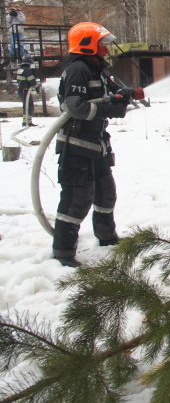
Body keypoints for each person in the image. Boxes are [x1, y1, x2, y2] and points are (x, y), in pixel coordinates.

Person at [52, 22, 131, 267]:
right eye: (101, 44)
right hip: (76, 146)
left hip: (97, 145)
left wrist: (125, 95)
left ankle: (107, 237)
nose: (106, 49)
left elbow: (114, 93)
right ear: (87, 44)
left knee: (106, 193)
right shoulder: (78, 69)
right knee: (77, 198)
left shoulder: (97, 69)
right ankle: (64, 253)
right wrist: (108, 108)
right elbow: (74, 107)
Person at [16, 55, 39, 127]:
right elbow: (32, 81)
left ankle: (26, 121)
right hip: (24, 90)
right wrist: (37, 87)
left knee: (27, 105)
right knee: (29, 105)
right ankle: (27, 122)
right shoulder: (27, 70)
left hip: (22, 89)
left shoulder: (21, 69)